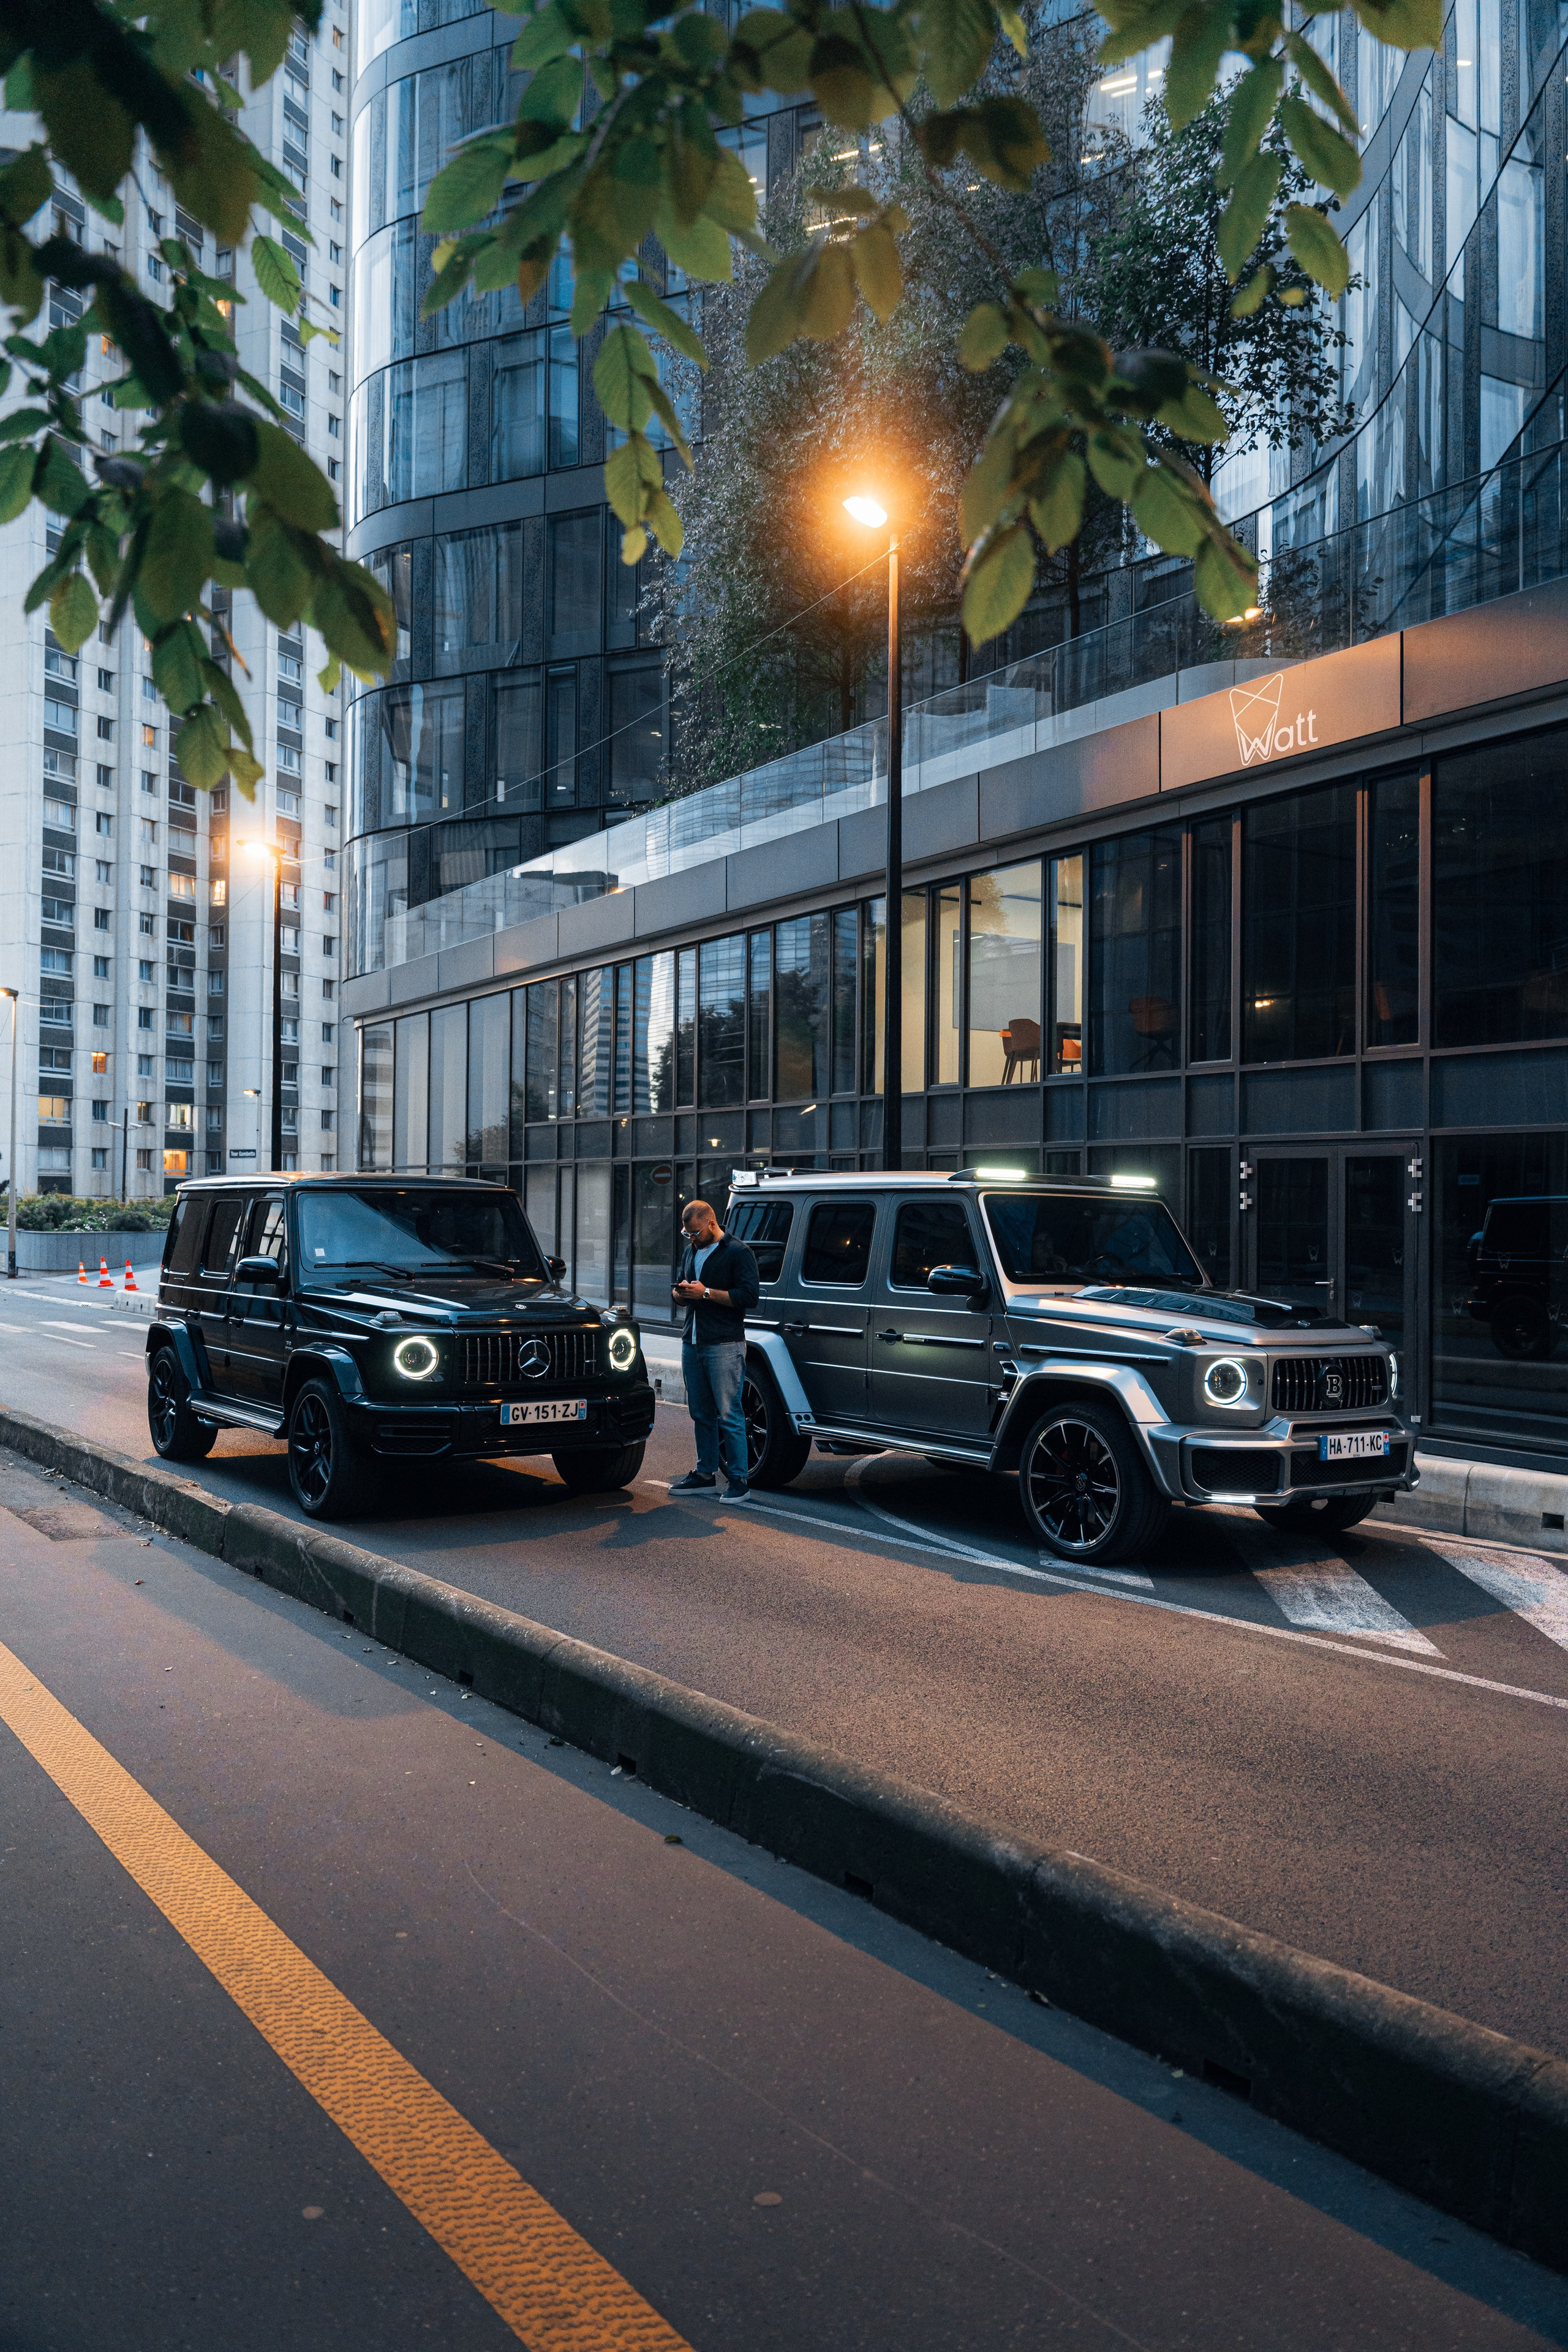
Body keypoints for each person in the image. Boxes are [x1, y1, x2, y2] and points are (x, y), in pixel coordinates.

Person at [669, 1196, 759, 1502]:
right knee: (700, 1413)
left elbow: (749, 1296)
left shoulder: (738, 1252)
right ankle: (705, 1474)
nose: (692, 1239)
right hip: (692, 1341)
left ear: (711, 1223)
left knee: (729, 1414)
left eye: (695, 1233)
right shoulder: (690, 1251)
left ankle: (739, 1481)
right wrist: (681, 1294)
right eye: (687, 1234)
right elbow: (685, 1295)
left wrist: (705, 1293)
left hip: (725, 1344)